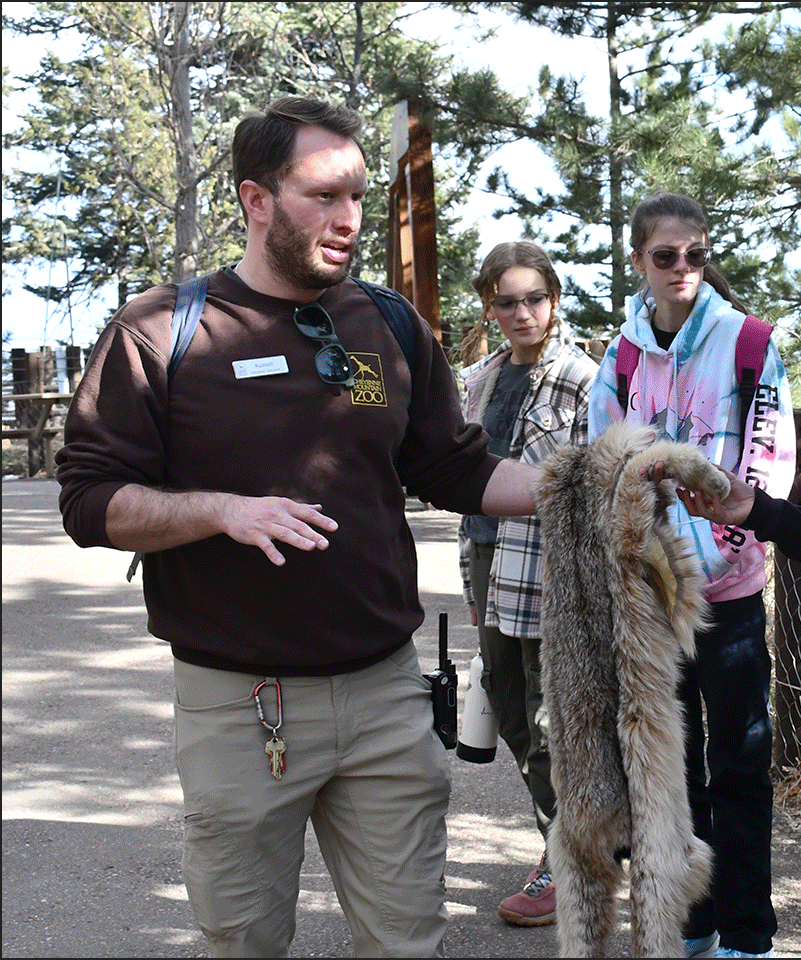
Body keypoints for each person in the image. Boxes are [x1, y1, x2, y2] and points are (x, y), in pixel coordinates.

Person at [54, 96, 543, 958]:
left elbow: (456, 468)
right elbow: (90, 501)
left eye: (359, 195)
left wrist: (594, 486)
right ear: (256, 199)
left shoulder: (387, 325)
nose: (350, 218)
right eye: (324, 195)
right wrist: (219, 511)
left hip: (386, 694)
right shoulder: (163, 330)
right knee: (243, 940)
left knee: (409, 942)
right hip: (239, 704)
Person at [588, 191, 796, 960]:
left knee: (740, 763)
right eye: (665, 256)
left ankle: (749, 934)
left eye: (695, 255)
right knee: (673, 773)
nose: (682, 268)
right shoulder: (621, 357)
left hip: (729, 597)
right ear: (638, 262)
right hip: (653, 600)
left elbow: (766, 462)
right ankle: (698, 923)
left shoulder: (749, 342)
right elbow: (603, 466)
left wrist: (712, 553)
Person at [457, 241, 598, 927]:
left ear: (554, 299)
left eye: (533, 298)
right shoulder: (478, 379)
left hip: (552, 568)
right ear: (489, 303)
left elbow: (601, 481)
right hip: (488, 561)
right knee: (510, 711)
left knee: (554, 721)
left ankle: (573, 866)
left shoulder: (580, 377)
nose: (521, 312)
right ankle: (566, 847)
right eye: (506, 301)